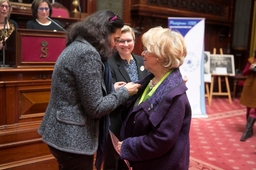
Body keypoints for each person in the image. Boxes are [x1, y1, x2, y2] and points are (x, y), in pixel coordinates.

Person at [37, 10, 141, 170]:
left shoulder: (78, 45)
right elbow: (96, 108)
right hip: (71, 136)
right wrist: (125, 92)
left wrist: (110, 89)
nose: (115, 44)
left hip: (60, 130)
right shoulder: (88, 54)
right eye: (115, 39)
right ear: (103, 34)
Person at [117, 27, 192, 170]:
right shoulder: (151, 81)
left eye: (147, 50)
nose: (142, 53)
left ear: (161, 56)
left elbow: (162, 139)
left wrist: (128, 146)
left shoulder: (176, 97)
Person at [104, 25, 148, 170]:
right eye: (121, 41)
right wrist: (114, 88)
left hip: (138, 118)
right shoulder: (108, 63)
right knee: (114, 161)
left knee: (134, 158)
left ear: (134, 41)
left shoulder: (142, 61)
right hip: (118, 119)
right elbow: (104, 92)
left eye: (129, 41)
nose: (125, 45)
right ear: (115, 43)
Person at [240, 54, 256, 142]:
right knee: (249, 108)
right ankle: (249, 129)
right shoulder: (251, 60)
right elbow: (244, 72)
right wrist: (250, 69)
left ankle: (248, 130)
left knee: (254, 110)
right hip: (251, 85)